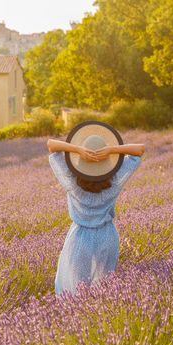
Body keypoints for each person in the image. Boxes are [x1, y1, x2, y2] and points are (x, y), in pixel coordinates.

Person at [47, 121, 145, 296]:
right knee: (104, 290)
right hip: (107, 237)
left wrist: (77, 150)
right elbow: (139, 151)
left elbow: (51, 146)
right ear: (108, 162)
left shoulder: (71, 182)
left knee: (75, 290)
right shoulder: (115, 181)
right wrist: (111, 150)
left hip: (80, 239)